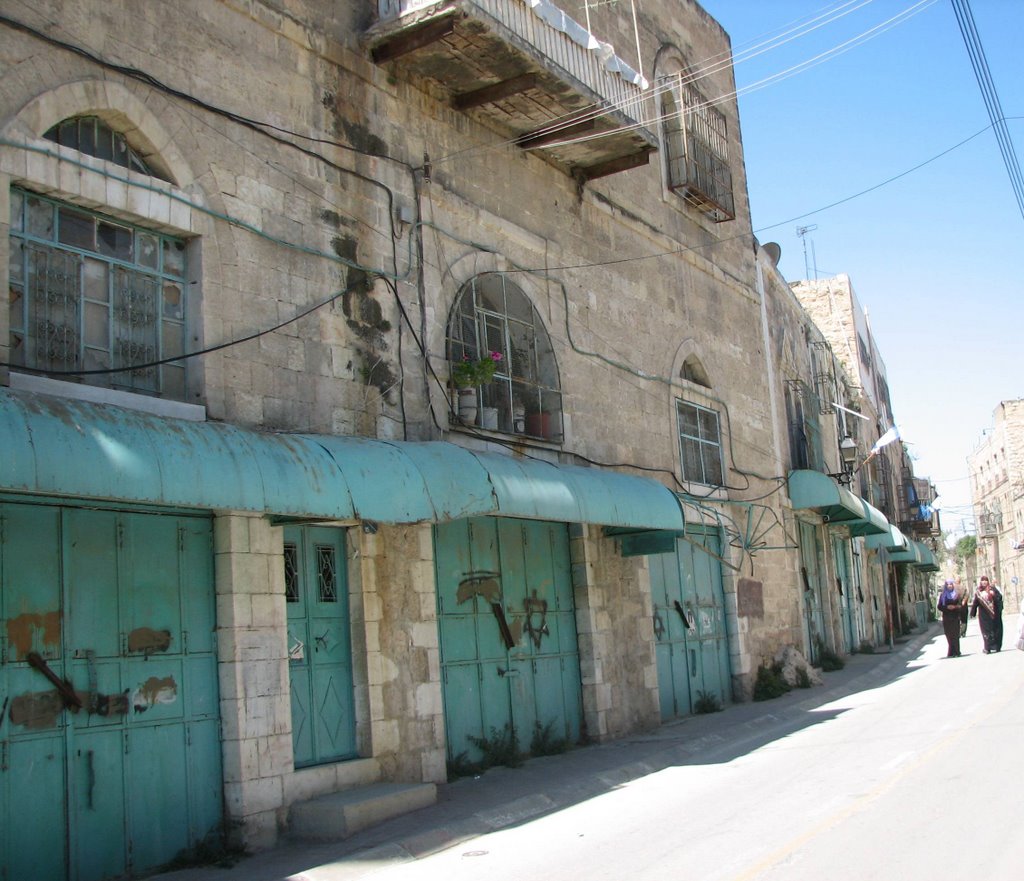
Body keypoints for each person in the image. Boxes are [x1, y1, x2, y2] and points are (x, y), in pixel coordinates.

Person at [970, 575, 1003, 653]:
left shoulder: (993, 589)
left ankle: (996, 646)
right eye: (983, 580)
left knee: (996, 630)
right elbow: (975, 602)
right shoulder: (979, 591)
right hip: (984, 616)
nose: (984, 582)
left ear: (988, 581)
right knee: (986, 631)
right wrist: (973, 612)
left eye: (986, 580)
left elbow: (999, 598)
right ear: (981, 582)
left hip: (994, 614)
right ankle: (987, 647)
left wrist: (993, 595)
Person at [937, 579, 964, 658]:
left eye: (951, 584)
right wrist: (947, 607)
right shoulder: (943, 596)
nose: (949, 586)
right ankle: (951, 651)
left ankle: (957, 651)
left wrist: (954, 607)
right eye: (948, 584)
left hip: (955, 617)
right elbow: (939, 606)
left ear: (953, 585)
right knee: (949, 635)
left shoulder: (956, 595)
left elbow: (960, 606)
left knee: (955, 634)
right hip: (946, 618)